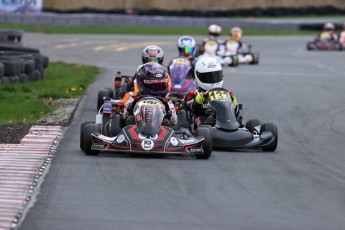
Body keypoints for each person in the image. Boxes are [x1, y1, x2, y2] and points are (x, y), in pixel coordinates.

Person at [184, 57, 241, 128]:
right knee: (202, 120)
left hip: (225, 121)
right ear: (198, 76)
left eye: (216, 76)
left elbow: (236, 115)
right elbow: (188, 109)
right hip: (204, 123)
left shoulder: (226, 93)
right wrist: (197, 102)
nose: (213, 80)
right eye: (208, 77)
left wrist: (234, 105)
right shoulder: (194, 94)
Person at [123, 62, 177, 127]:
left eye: (161, 84)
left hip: (160, 131)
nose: (158, 87)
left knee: (167, 122)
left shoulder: (168, 100)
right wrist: (131, 108)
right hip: (136, 128)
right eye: (154, 85)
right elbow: (125, 116)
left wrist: (168, 113)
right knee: (127, 119)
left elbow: (174, 120)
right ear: (141, 83)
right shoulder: (133, 98)